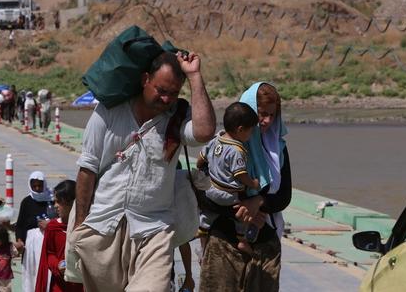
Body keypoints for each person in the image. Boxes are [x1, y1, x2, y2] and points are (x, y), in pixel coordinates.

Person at [68, 52, 215, 291]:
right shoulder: (109, 111)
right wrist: (80, 225)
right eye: (161, 90)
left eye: (174, 93)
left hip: (154, 229)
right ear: (145, 79)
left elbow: (205, 131)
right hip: (104, 226)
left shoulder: (176, 119)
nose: (166, 99)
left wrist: (195, 76)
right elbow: (87, 168)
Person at [199, 82, 292, 292]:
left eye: (272, 115)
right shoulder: (222, 146)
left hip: (266, 246)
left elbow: (284, 196)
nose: (267, 121)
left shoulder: (278, 150)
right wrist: (241, 212)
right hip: (224, 243)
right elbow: (203, 192)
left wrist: (258, 202)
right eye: (261, 114)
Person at [197, 102, 261, 253]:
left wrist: (201, 169)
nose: (251, 135)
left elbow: (201, 159)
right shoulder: (237, 150)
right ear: (240, 130)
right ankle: (242, 240)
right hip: (228, 196)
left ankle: (202, 232)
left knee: (208, 215)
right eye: (250, 131)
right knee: (242, 215)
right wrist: (253, 183)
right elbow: (240, 174)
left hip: (210, 189)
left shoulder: (216, 139)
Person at [35, 180, 84, 292]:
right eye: (55, 201)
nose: (55, 206)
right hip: (59, 285)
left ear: (71, 203)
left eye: (59, 202)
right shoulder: (53, 227)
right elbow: (49, 254)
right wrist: (57, 265)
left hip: (81, 284)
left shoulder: (85, 227)